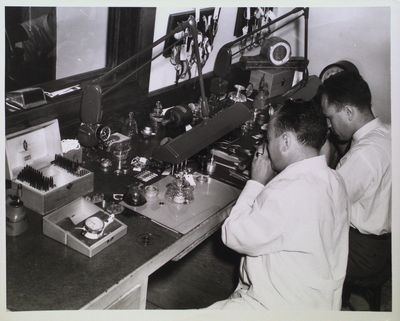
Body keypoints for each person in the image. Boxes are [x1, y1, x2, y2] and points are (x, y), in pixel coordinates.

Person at [207, 99, 350, 310]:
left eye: (268, 139)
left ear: (285, 142)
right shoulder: (334, 180)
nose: (265, 147)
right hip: (321, 303)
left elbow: (233, 234)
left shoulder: (286, 192)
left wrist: (255, 183)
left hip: (277, 306)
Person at [319, 71, 391, 305]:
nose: (329, 126)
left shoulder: (363, 156)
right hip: (386, 247)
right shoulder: (388, 133)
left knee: (293, 247)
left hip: (363, 252)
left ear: (349, 112)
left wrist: (318, 161)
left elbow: (324, 203)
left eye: (330, 118)